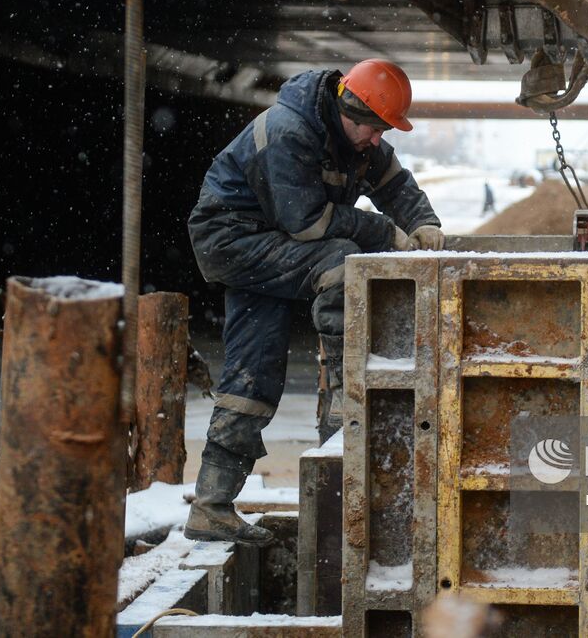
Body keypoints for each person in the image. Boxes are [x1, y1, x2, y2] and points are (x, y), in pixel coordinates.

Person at [184, 59, 444, 543]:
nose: (375, 140)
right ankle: (345, 403)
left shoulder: (358, 138)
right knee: (342, 261)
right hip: (233, 240)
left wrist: (424, 224)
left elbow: (396, 186)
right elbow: (307, 224)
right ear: (348, 110)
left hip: (268, 242)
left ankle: (210, 506)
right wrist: (386, 232)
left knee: (252, 371)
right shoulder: (289, 131)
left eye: (382, 131)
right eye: (372, 129)